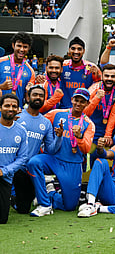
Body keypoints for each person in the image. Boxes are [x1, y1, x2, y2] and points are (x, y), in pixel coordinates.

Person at [27, 88, 95, 216]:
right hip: (54, 159)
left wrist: (79, 137)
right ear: (72, 100)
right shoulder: (57, 113)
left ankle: (50, 192)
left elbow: (86, 149)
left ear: (87, 104)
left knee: (69, 206)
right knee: (34, 163)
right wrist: (24, 115)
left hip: (72, 164)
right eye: (76, 100)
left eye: (82, 101)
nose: (78, 104)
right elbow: (39, 121)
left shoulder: (89, 124)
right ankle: (44, 204)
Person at [13, 86, 61, 214]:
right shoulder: (17, 116)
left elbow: (50, 150)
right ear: (28, 97)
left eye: (41, 96)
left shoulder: (45, 123)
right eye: (35, 95)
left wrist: (59, 137)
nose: (38, 98)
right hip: (11, 167)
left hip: (26, 171)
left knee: (23, 209)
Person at [84, 64, 115, 165]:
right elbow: (85, 113)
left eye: (112, 76)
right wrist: (96, 99)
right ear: (102, 77)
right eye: (106, 76)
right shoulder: (93, 89)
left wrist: (108, 135)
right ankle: (86, 174)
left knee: (114, 148)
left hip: (110, 127)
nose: (109, 79)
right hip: (93, 126)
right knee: (90, 152)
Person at [0, 94, 29, 223]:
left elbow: (23, 158)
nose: (10, 109)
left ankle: (10, 199)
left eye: (14, 106)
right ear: (0, 108)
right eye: (7, 105)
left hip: (5, 177)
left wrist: (4, 171)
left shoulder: (21, 131)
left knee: (2, 219)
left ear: (18, 109)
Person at [60, 37, 101, 108]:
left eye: (79, 49)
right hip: (64, 110)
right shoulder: (62, 66)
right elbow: (49, 78)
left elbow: (101, 85)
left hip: (83, 111)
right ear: (69, 50)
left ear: (84, 51)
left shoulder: (92, 67)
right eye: (73, 48)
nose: (76, 52)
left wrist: (97, 76)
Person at [0, 32, 35, 107]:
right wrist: (1, 86)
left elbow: (28, 100)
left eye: (25, 47)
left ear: (29, 48)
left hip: (18, 112)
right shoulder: (1, 62)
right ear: (13, 45)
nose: (22, 49)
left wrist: (29, 92)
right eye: (19, 46)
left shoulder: (30, 71)